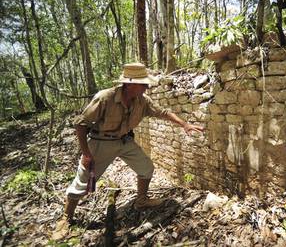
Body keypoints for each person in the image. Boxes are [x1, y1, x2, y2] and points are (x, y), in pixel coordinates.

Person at [52, 62, 204, 240]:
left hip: (124, 141)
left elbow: (162, 112)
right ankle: (66, 218)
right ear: (130, 83)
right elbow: (80, 123)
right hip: (100, 142)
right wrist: (86, 153)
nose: (147, 87)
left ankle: (141, 201)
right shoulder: (105, 98)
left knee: (146, 168)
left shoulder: (142, 101)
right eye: (143, 84)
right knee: (83, 181)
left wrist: (184, 124)